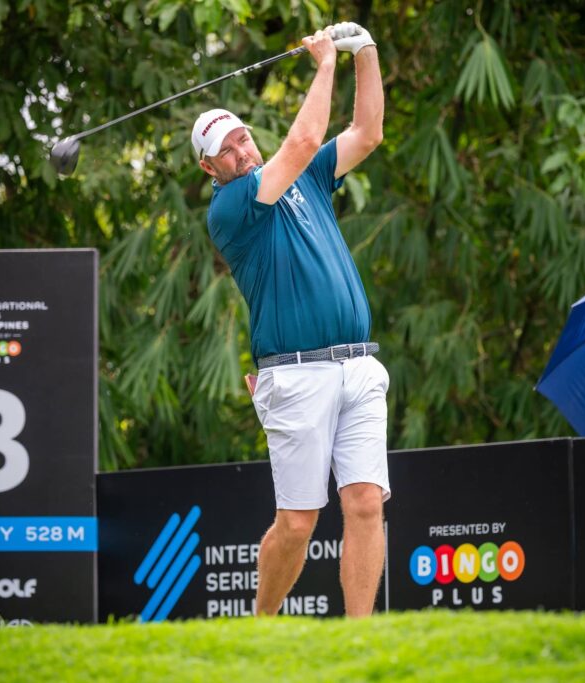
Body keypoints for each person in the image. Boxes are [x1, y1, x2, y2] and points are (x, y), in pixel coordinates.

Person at [192, 23, 386, 618]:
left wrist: (365, 52)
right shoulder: (231, 207)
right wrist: (324, 63)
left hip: (358, 365)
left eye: (243, 139)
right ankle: (261, 626)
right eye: (226, 150)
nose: (241, 151)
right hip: (296, 375)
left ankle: (360, 641)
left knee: (364, 504)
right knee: (298, 521)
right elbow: (301, 142)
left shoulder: (306, 179)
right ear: (210, 169)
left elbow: (368, 133)